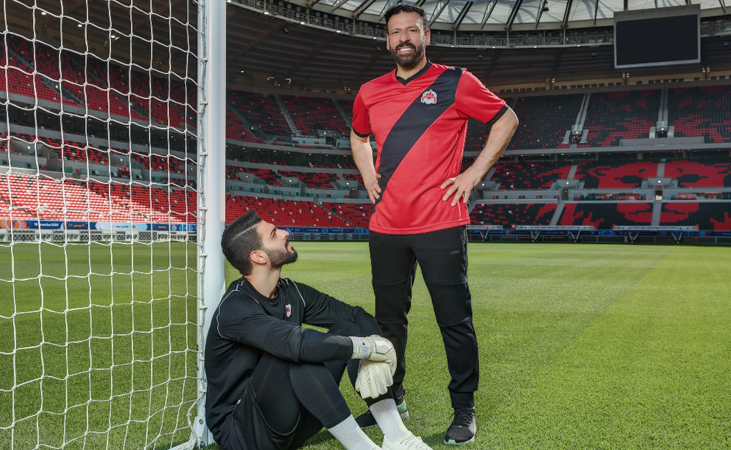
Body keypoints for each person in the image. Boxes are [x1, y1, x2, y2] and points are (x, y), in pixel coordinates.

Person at [349, 3, 519, 446]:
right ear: (387, 41)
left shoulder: (456, 81)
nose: (403, 38)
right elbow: (358, 135)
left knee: (454, 321)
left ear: (426, 36)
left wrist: (472, 175)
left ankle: (464, 408)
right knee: (388, 323)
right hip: (386, 226)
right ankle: (391, 402)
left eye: (412, 30)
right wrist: (367, 174)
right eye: (395, 32)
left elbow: (506, 119)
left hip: (441, 222)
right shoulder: (369, 91)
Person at [205, 210, 433, 450]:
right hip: (244, 434)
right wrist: (368, 348)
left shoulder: (291, 291)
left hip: (295, 423)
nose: (285, 232)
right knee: (296, 352)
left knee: (347, 329)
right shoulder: (235, 307)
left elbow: (355, 315)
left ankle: (396, 435)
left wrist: (373, 345)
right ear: (258, 256)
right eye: (274, 233)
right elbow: (297, 345)